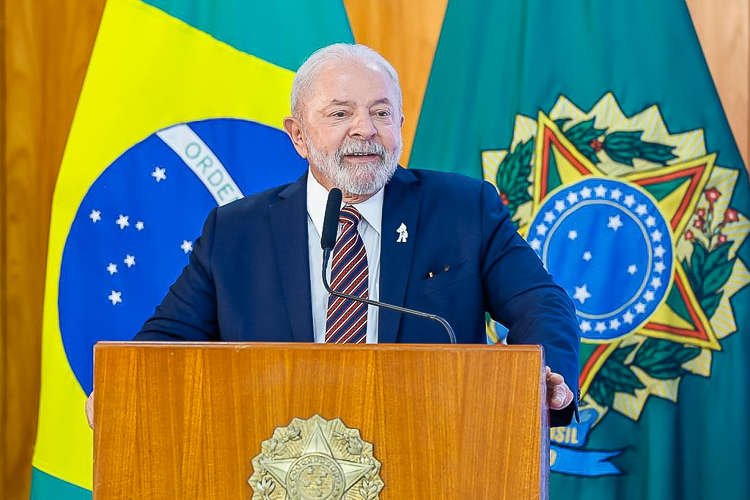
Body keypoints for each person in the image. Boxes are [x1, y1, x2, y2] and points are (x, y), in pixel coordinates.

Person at [87, 43, 579, 428]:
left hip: (435, 450)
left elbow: (539, 300)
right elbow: (166, 344)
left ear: (401, 125)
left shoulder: (463, 209)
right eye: (340, 114)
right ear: (298, 135)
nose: (364, 129)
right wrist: (120, 388)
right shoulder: (235, 232)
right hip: (277, 463)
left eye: (382, 113)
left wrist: (546, 375)